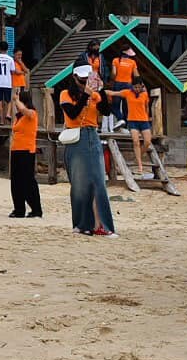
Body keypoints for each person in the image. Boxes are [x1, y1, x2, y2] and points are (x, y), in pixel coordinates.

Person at [58, 63, 115, 237]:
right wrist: (85, 95)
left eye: (87, 79)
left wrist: (102, 91)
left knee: (97, 181)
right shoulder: (65, 94)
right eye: (82, 79)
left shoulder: (94, 93)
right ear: (74, 78)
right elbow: (73, 113)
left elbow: (106, 110)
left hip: (91, 135)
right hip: (75, 137)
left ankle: (102, 224)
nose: (84, 82)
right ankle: (82, 225)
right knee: (79, 184)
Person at [105, 76, 154, 178]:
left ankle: (138, 157)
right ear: (132, 86)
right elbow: (113, 93)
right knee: (135, 141)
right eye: (135, 87)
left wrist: (148, 117)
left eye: (138, 87)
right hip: (132, 121)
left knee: (147, 141)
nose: (137, 89)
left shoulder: (145, 94)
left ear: (141, 87)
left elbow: (146, 107)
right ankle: (140, 165)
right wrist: (101, 91)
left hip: (144, 120)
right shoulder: (127, 92)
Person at [8, 88, 42, 219]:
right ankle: (19, 208)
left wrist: (17, 101)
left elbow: (26, 111)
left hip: (27, 150)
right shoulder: (19, 117)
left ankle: (36, 209)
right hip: (16, 150)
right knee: (16, 181)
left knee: (28, 181)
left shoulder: (31, 113)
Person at [108, 47, 139, 133]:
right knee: (126, 107)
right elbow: (136, 75)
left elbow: (114, 73)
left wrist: (111, 81)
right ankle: (126, 126)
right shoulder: (133, 62)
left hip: (118, 84)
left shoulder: (116, 60)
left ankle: (121, 119)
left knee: (115, 106)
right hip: (128, 85)